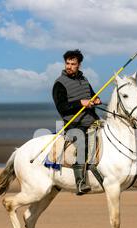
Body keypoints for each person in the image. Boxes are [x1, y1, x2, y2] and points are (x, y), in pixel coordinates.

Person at [52, 49, 102, 195]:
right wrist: (81, 103)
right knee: (81, 143)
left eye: (73, 64)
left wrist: (96, 100)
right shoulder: (59, 84)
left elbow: (91, 96)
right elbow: (62, 108)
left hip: (92, 120)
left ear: (79, 65)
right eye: (67, 63)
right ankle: (80, 182)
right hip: (73, 125)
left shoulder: (84, 80)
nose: (69, 66)